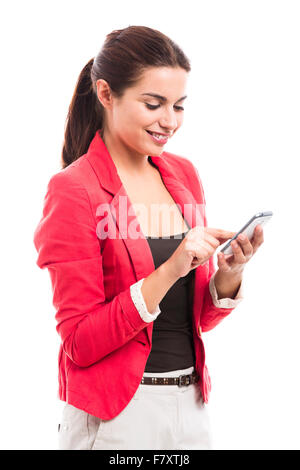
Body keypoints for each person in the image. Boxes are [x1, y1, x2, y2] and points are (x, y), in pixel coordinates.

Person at [33, 25, 264, 450]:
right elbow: (80, 343)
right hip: (116, 419)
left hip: (191, 408)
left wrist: (229, 274)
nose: (170, 122)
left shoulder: (183, 175)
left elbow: (195, 320)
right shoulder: (74, 190)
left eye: (178, 106)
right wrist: (171, 268)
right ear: (106, 94)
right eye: (153, 104)